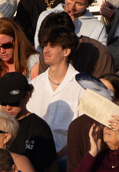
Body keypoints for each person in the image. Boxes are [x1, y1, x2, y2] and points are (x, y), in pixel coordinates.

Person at [26, 26, 83, 154]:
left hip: (68, 157)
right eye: (45, 45)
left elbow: (83, 132)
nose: (46, 50)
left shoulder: (81, 87)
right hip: (35, 155)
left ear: (66, 51)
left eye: (52, 46)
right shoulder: (34, 85)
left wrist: (59, 156)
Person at [0, 72, 60, 172]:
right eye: (3, 102)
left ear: (27, 96)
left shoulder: (39, 128)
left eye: (13, 102)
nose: (8, 107)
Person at [35, 0, 108, 46]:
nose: (72, 6)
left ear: (89, 4)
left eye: (79, 4)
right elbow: (40, 49)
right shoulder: (46, 16)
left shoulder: (98, 28)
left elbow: (101, 54)